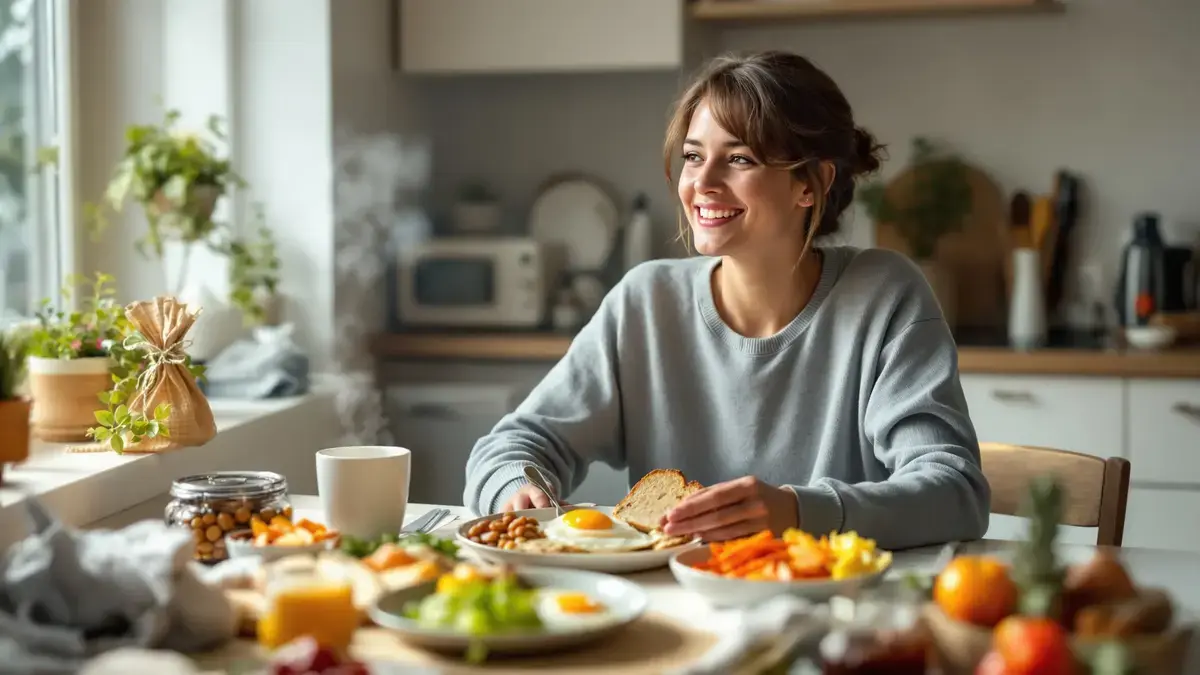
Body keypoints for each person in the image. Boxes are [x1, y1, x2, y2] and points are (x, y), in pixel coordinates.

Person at [462, 50, 990, 551]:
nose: (702, 184)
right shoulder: (645, 302)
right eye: (693, 157)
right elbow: (513, 446)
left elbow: (954, 491)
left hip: (836, 615)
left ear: (811, 183)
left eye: (738, 159)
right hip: (675, 610)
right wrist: (518, 491)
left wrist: (796, 512)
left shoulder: (885, 295)